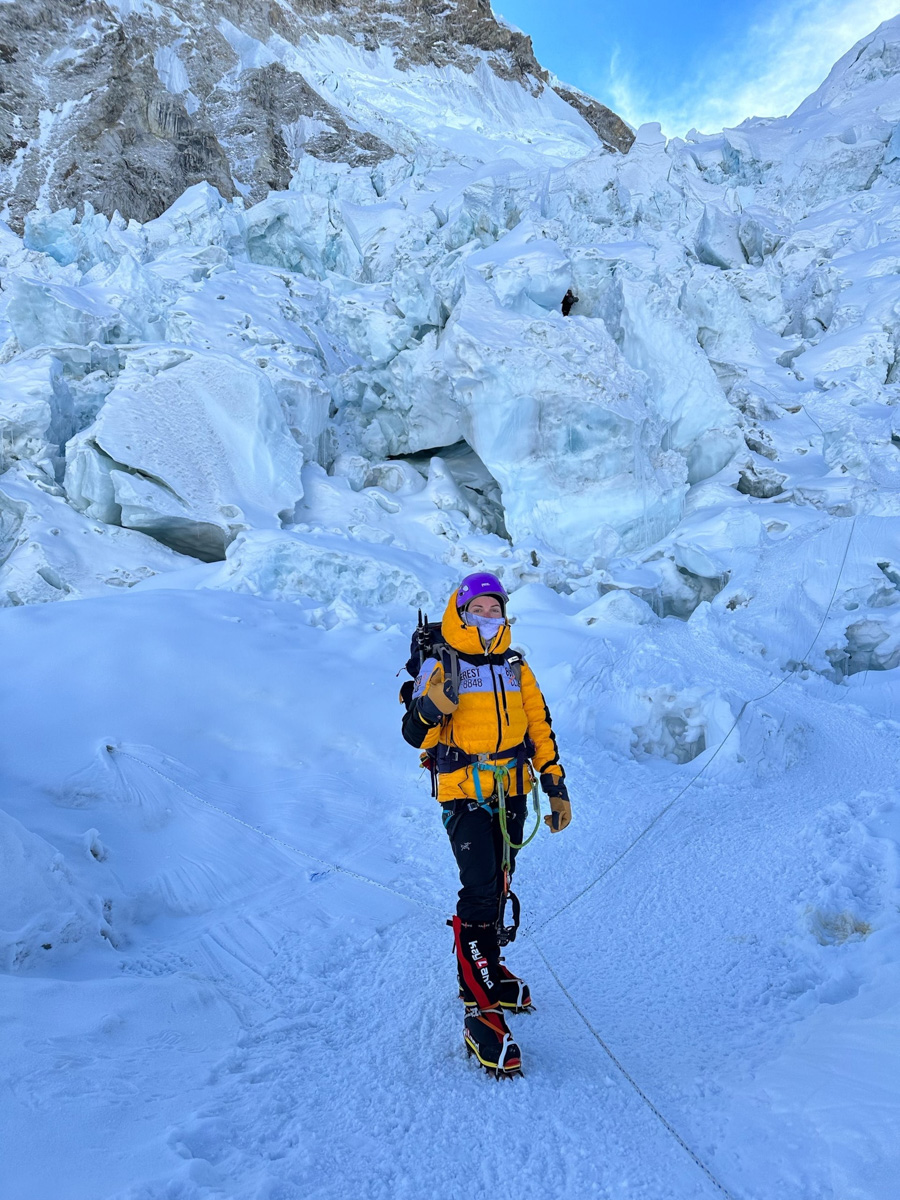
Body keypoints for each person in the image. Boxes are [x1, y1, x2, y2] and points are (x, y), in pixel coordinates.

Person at [401, 571, 570, 1076]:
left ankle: (482, 971)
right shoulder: (441, 663)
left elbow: (539, 726)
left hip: (512, 789)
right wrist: (431, 708)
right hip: (464, 791)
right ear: (462, 609)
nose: (490, 617)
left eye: (497, 609)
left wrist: (554, 785)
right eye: (481, 608)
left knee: (499, 882)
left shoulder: (517, 668)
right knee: (478, 891)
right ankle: (482, 1010)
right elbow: (413, 733)